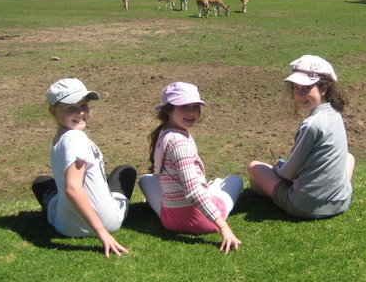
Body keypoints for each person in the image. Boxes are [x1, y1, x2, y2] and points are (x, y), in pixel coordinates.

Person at [31, 78, 137, 257]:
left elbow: (70, 188)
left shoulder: (64, 137)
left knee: (41, 183)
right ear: (53, 111)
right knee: (125, 172)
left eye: (84, 106)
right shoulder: (76, 139)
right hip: (108, 222)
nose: (81, 113)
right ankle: (106, 212)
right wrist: (103, 233)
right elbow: (73, 188)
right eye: (72, 107)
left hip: (66, 227)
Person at [139, 82, 243, 253]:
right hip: (204, 222)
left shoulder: (164, 133)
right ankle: (214, 190)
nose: (191, 112)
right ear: (169, 110)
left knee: (146, 179)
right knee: (235, 180)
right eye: (184, 107)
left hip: (170, 221)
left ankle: (212, 188)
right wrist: (224, 228)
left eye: (195, 107)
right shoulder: (180, 143)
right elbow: (194, 192)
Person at [247, 55, 355, 219]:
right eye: (296, 88)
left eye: (306, 88)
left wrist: (278, 166)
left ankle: (271, 192)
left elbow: (289, 173)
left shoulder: (311, 125)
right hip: (341, 202)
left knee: (254, 167)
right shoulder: (335, 113)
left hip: (305, 207)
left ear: (324, 87)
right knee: (349, 157)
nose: (299, 94)